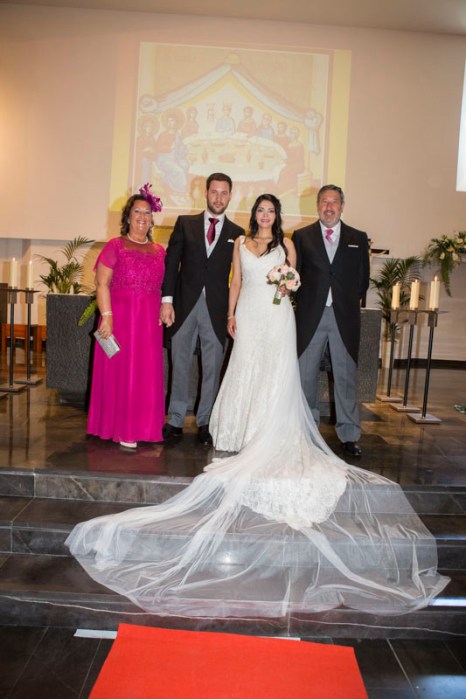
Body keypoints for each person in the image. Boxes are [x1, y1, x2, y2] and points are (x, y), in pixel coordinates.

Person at [67, 193, 449, 620]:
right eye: (261, 211)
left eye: (271, 211)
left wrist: (288, 286)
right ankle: (237, 429)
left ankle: (279, 428)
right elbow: (235, 282)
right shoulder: (239, 243)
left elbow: (302, 279)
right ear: (254, 215)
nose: (265, 215)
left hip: (278, 318)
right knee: (244, 369)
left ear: (277, 215)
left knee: (277, 375)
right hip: (248, 314)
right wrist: (231, 313)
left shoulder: (289, 244)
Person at [160, 173, 244, 445]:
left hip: (216, 310)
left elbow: (240, 276)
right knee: (179, 364)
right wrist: (167, 301)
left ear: (230, 196)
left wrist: (234, 312)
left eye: (224, 193)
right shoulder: (185, 224)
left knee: (212, 367)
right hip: (184, 305)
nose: (218, 198)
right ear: (205, 193)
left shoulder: (237, 233)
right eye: (214, 192)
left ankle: (206, 421)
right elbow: (171, 264)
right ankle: (175, 419)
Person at [87, 184, 165, 449]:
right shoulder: (115, 246)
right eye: (137, 212)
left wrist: (165, 307)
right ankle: (122, 428)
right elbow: (102, 284)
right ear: (128, 217)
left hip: (148, 322)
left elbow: (164, 286)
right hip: (120, 319)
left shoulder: (160, 251)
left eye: (147, 213)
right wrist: (107, 316)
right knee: (122, 371)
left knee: (145, 373)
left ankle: (144, 426)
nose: (142, 217)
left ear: (152, 219)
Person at [293, 184, 369, 457]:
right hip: (310, 317)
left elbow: (362, 280)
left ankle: (349, 434)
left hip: (343, 318)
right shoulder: (302, 236)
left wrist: (343, 302)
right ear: (317, 205)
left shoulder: (358, 238)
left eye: (334, 202)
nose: (329, 207)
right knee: (305, 376)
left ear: (342, 206)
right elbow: (295, 276)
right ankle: (307, 430)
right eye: (324, 202)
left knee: (345, 378)